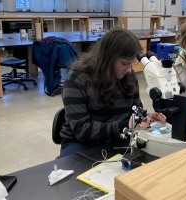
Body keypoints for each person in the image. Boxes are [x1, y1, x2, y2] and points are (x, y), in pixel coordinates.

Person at [59, 27, 166, 158]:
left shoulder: (128, 77)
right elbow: (82, 130)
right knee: (73, 175)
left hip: (120, 137)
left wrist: (145, 118)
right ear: (108, 58)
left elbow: (136, 111)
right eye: (125, 63)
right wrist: (125, 125)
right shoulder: (77, 79)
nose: (129, 70)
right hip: (82, 142)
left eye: (132, 64)